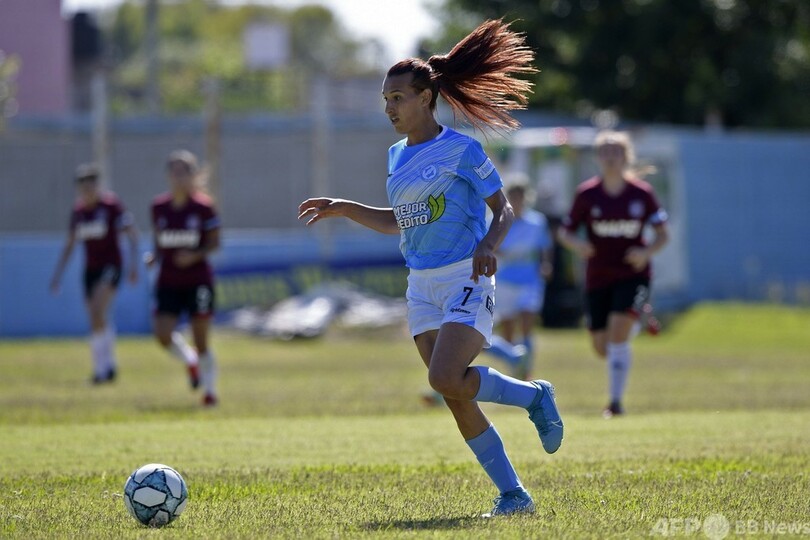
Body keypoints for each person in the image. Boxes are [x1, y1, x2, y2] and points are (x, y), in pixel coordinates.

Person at [298, 19, 563, 518]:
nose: (389, 108)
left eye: (397, 97)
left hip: (465, 275)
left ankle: (533, 398)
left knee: (445, 377)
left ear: (425, 97)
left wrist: (489, 243)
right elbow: (402, 221)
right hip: (421, 286)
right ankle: (514, 495)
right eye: (385, 99)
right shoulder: (397, 155)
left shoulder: (462, 149)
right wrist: (344, 207)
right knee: (454, 391)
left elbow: (503, 208)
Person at [556, 130, 669, 418]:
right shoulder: (587, 194)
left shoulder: (641, 194)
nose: (610, 157)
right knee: (601, 347)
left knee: (618, 334)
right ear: (597, 157)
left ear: (626, 157)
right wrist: (578, 244)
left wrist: (645, 252)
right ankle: (633, 325)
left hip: (633, 274)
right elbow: (565, 231)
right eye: (604, 152)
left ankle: (615, 403)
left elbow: (662, 234)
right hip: (597, 276)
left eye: (615, 151)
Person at [49, 163, 139, 384]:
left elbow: (131, 234)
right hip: (90, 269)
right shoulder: (79, 212)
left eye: (92, 184)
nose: (88, 190)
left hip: (111, 266)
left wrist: (133, 265)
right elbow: (70, 243)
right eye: (83, 186)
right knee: (95, 318)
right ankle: (107, 367)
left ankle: (101, 372)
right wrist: (58, 274)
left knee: (98, 310)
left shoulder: (110, 206)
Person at [145, 150, 221, 407]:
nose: (179, 177)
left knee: (202, 340)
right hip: (168, 280)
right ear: (168, 176)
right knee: (162, 334)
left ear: (193, 175)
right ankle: (190, 362)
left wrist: (195, 255)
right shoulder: (158, 208)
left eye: (184, 171)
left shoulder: (203, 207)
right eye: (174, 171)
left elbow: (215, 243)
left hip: (198, 280)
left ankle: (210, 392)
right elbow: (159, 241)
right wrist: (154, 257)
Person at [490, 176, 554, 380]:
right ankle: (514, 366)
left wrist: (546, 264)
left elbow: (545, 247)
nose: (517, 201)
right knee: (507, 327)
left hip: (530, 281)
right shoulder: (499, 221)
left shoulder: (537, 222)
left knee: (527, 321)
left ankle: (526, 371)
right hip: (505, 280)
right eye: (513, 197)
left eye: (520, 197)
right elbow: (489, 245)